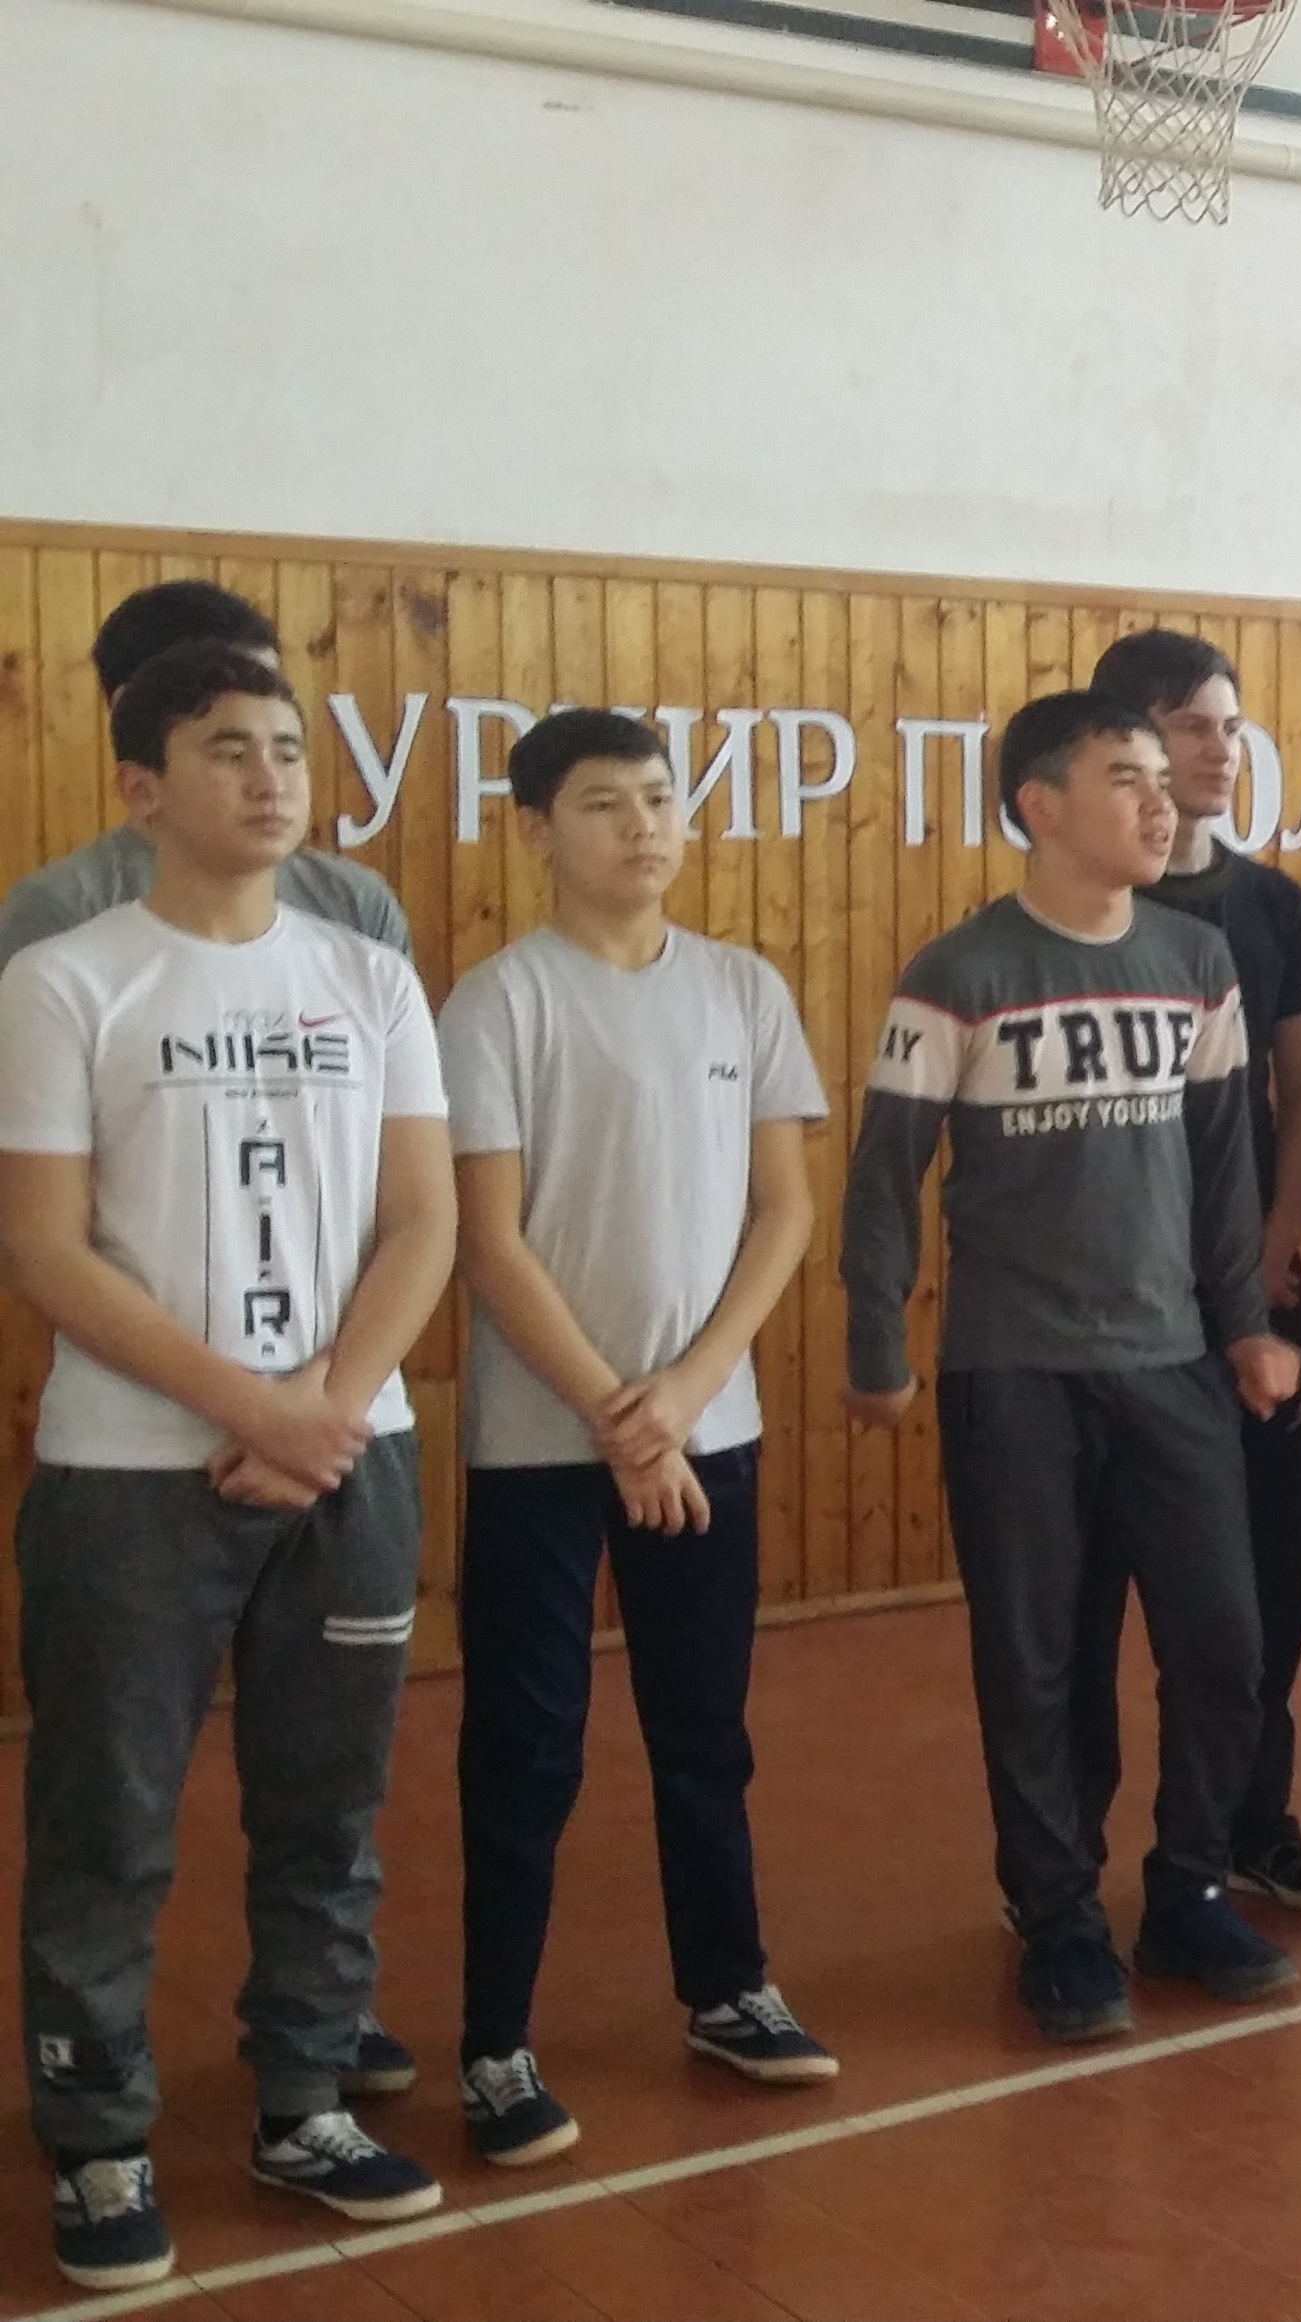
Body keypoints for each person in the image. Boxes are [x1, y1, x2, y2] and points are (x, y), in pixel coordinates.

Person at [0, 644, 457, 2287]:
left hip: (350, 1459)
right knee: (108, 1817)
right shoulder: (65, 980)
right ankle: (98, 2135)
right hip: (131, 1475)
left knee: (327, 1808)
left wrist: (326, 1405)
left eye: (286, 748)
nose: (269, 778)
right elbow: (45, 1247)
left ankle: (305, 2100)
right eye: (225, 749)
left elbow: (425, 1220)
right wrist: (251, 1410)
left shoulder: (370, 975)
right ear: (141, 786)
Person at [841, 691, 1299, 2041]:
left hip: (1172, 1366)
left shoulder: (1197, 958)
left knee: (1223, 1645)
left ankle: (1189, 1890)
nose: (1162, 802)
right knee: (1038, 1660)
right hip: (1015, 1376)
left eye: (1165, 777)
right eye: (1126, 778)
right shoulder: (961, 971)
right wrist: (876, 1339)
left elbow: (1224, 1168)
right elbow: (885, 1174)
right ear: (1041, 806)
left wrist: (1245, 1324)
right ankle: (1059, 1916)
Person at [441, 711, 835, 2174]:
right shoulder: (497, 1003)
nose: (644, 827)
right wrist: (623, 1415)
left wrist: (688, 1392)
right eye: (605, 803)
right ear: (536, 828)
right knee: (525, 1746)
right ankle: (494, 2043)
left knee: (703, 1729)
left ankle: (729, 1988)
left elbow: (783, 1209)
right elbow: (488, 1241)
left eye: (661, 799)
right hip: (541, 1446)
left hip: (704, 1431)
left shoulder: (742, 988)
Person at [1062, 630, 1301, 1920]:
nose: (1220, 750)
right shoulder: (1083, 911)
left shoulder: (1269, 906)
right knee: (1086, 1604)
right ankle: (1064, 1867)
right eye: (1192, 726)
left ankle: (1248, 1820)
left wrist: (1271, 1246)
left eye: (1232, 727)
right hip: (1108, 1317)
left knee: (1260, 1584)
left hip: (1249, 1301)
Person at [0, 582, 411, 983]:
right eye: (231, 751)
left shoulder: (354, 901)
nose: (268, 781)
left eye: (270, 687)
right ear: (132, 707)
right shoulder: (60, 909)